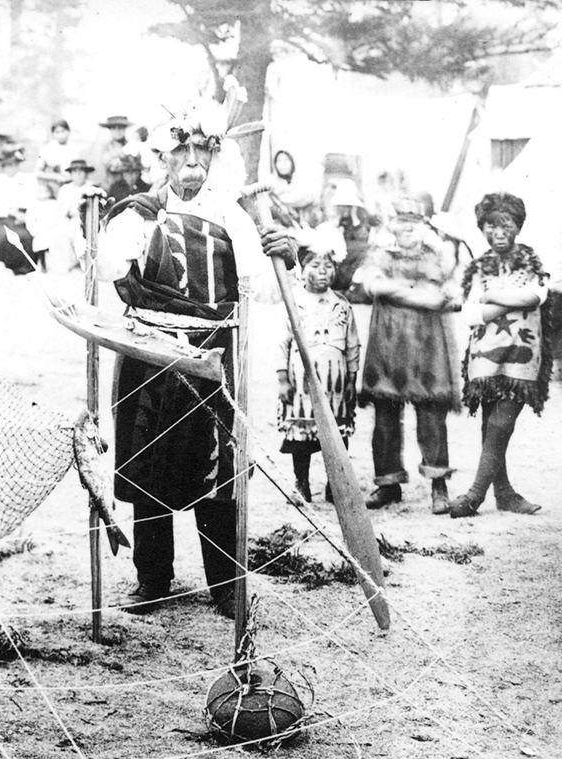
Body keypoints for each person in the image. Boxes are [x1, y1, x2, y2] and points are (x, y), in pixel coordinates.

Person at [97, 97, 296, 618]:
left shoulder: (233, 217)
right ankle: (153, 580)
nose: (192, 164)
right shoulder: (138, 214)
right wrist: (116, 242)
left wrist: (284, 256)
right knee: (147, 466)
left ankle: (225, 586)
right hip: (151, 356)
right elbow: (111, 276)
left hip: (213, 358)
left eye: (202, 153)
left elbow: (265, 292)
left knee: (217, 474)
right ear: (163, 159)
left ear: (214, 157)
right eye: (181, 153)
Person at [354, 195, 459, 514]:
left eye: (416, 223)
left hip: (427, 347)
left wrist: (405, 291)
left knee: (431, 415)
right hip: (388, 345)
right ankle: (388, 484)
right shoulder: (381, 254)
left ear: (425, 225)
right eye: (403, 223)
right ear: (393, 226)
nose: (409, 229)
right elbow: (374, 286)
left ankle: (438, 484)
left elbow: (449, 293)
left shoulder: (439, 254)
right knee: (385, 413)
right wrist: (420, 296)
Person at [448, 192, 550, 517]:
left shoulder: (531, 261)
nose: (498, 232)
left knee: (501, 421)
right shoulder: (478, 267)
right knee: (492, 421)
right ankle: (504, 493)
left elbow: (536, 295)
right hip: (486, 354)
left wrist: (491, 296)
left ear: (517, 227)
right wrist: (509, 299)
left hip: (522, 353)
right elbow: (470, 315)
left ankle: (474, 495)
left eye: (505, 224)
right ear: (483, 230)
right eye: (491, 226)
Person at [275, 227, 360, 503]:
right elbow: (282, 343)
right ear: (302, 268)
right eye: (315, 265)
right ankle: (301, 483)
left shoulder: (343, 305)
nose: (323, 271)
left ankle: (336, 483)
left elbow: (352, 346)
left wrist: (351, 381)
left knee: (336, 435)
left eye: (328, 265)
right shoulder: (293, 302)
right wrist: (282, 379)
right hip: (302, 381)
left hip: (335, 382)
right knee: (302, 435)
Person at [0, 145, 37, 275]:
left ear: (18, 165)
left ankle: (22, 268)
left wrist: (25, 216)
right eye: (7, 165)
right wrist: (11, 212)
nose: (11, 169)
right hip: (0, 218)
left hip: (22, 217)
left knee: (25, 237)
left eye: (13, 165)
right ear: (2, 166)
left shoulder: (27, 179)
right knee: (3, 237)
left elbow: (32, 201)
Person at [36, 119, 75, 195]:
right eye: (57, 132)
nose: (61, 135)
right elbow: (37, 172)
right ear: (53, 134)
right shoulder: (46, 149)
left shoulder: (75, 149)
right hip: (52, 187)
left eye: (63, 131)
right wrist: (55, 176)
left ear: (68, 131)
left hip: (72, 185)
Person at [88, 114, 132, 180]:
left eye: (120, 128)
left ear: (124, 129)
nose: (117, 131)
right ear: (110, 130)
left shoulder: (132, 146)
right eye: (114, 128)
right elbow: (101, 166)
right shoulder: (104, 148)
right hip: (111, 183)